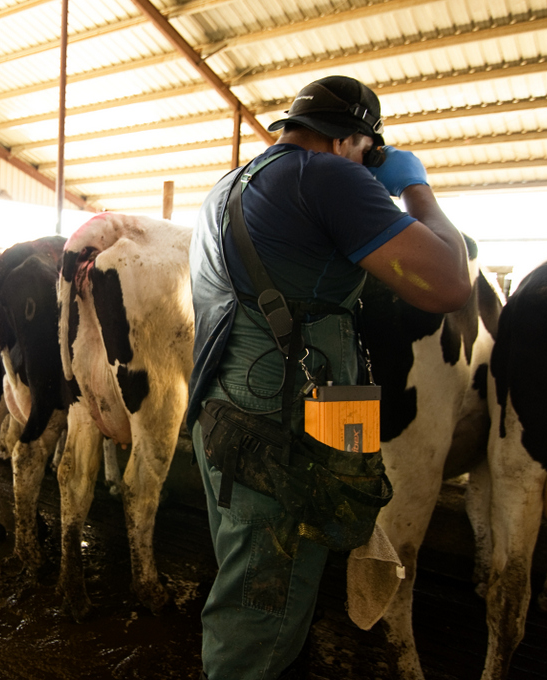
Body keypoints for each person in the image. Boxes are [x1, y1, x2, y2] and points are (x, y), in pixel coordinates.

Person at [188, 76, 472, 679]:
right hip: (292, 415)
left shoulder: (227, 186)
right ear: (353, 141)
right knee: (263, 609)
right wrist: (416, 188)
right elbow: (451, 283)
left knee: (272, 578)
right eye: (371, 154)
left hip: (230, 403)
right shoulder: (328, 174)